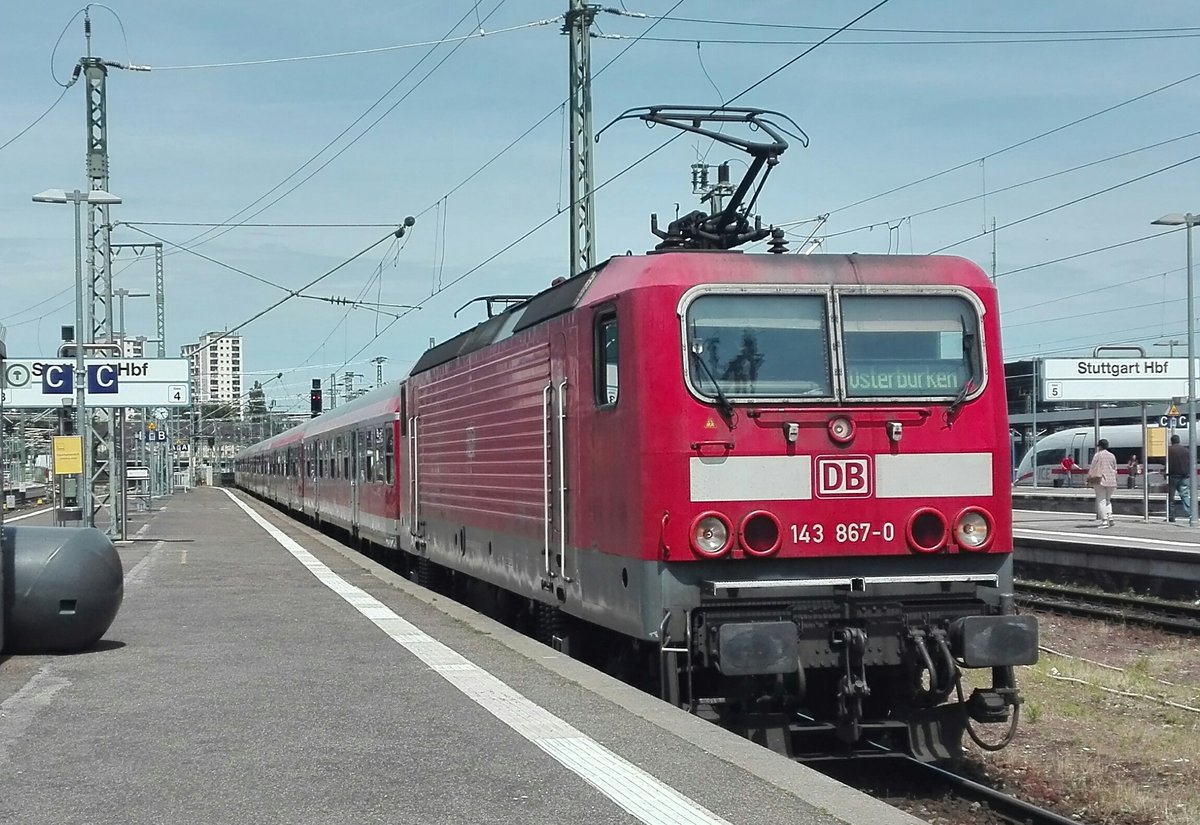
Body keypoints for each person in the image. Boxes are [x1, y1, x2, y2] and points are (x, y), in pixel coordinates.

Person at [1087, 439, 1117, 528]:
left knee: (1101, 500)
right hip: (1111, 481)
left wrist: (1088, 478)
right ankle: (1110, 517)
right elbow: (1115, 468)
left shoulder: (1098, 455)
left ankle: (1104, 520)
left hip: (1100, 480)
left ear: (1099, 446)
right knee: (1108, 500)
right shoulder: (1112, 455)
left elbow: (1092, 467)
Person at [1166, 434, 1192, 522]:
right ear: (1179, 440)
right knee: (1185, 496)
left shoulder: (1169, 450)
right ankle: (1191, 514)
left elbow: (1164, 461)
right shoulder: (1185, 450)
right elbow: (1189, 462)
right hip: (1184, 476)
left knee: (1171, 497)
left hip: (1173, 476)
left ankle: (1171, 516)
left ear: (1171, 441)